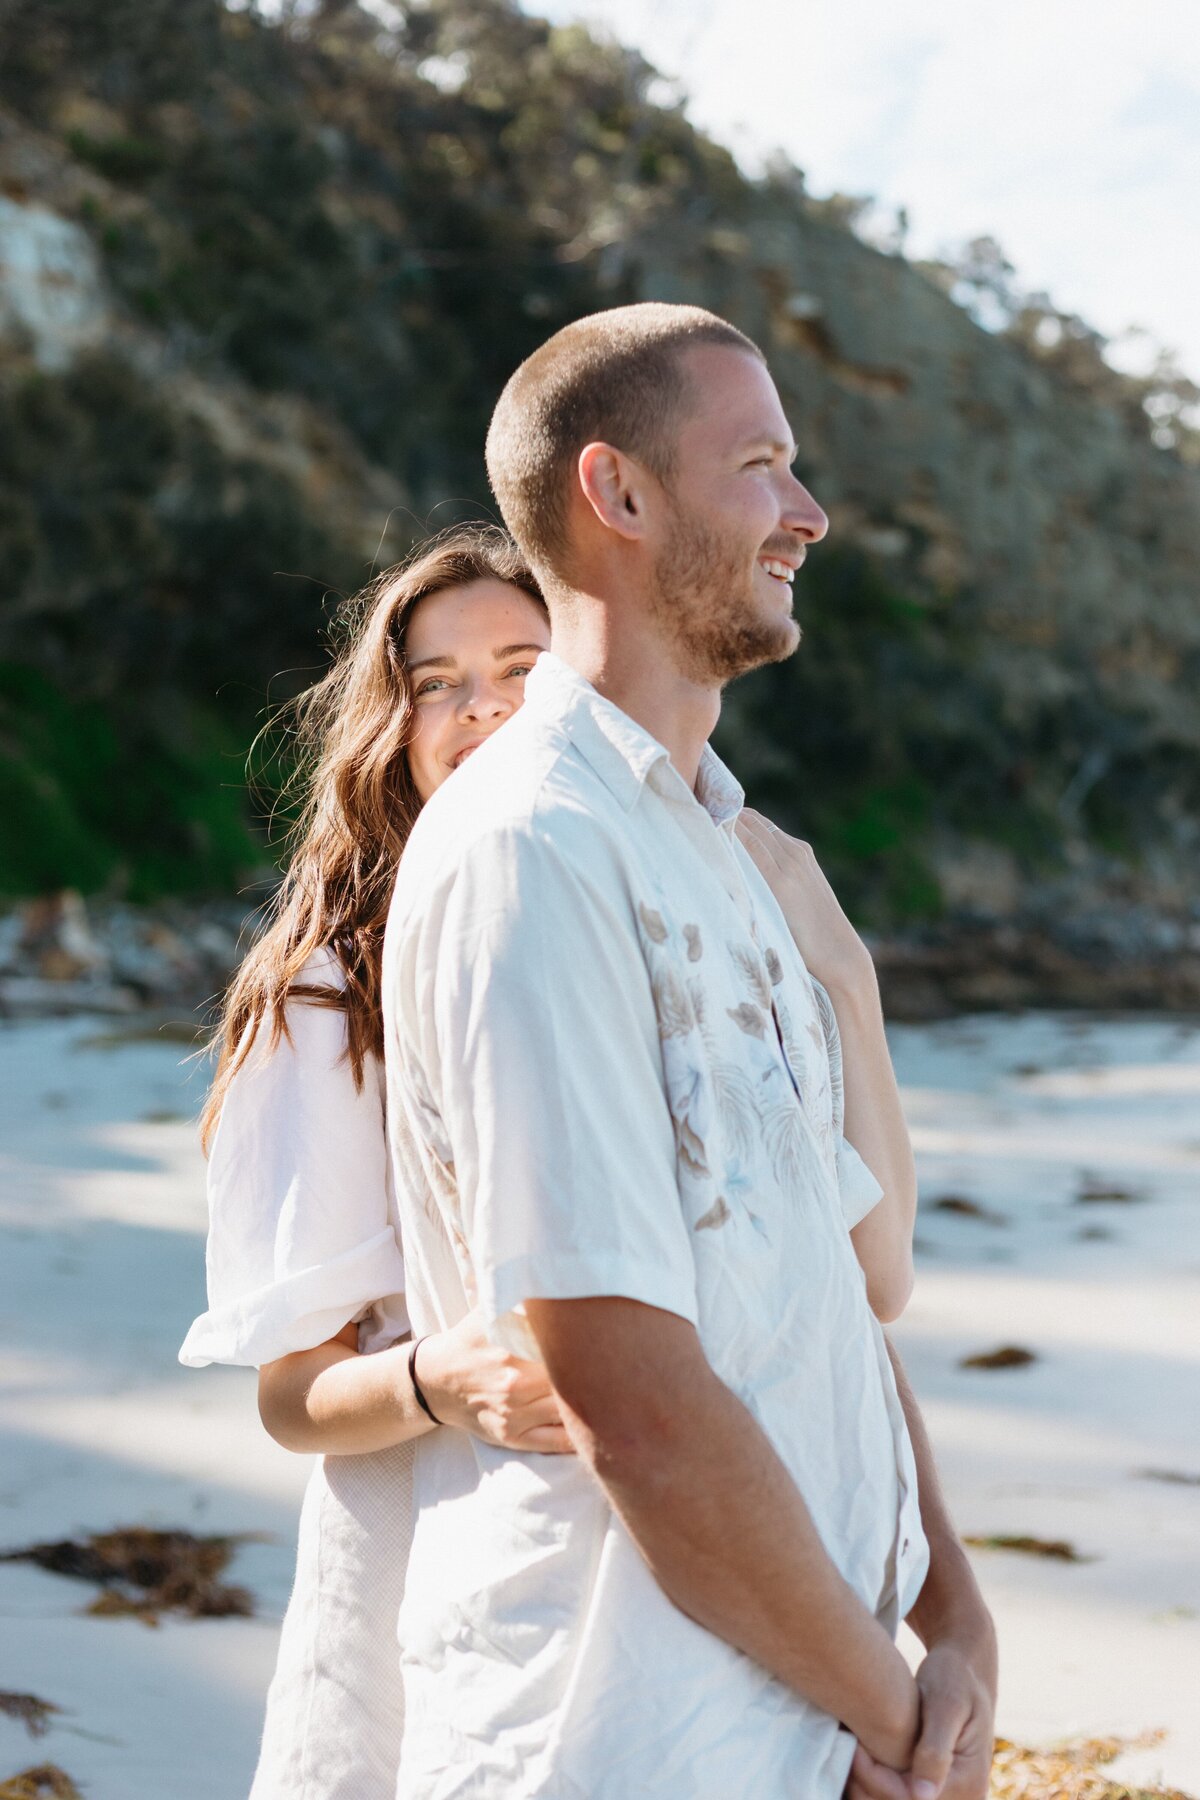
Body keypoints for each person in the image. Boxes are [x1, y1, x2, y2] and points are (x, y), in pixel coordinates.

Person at [382, 304, 997, 1800]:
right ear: (622, 494)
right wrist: (892, 1718)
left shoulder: (725, 848)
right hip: (629, 1738)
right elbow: (632, 1393)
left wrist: (952, 1616)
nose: (810, 513)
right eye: (763, 465)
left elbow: (828, 1290)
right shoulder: (537, 848)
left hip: (803, 1716)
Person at [179, 527, 563, 1800]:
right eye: (438, 683)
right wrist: (442, 1379)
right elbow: (294, 1398)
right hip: (420, 1552)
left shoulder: (640, 932)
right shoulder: (324, 995)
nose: (484, 708)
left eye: (522, 665)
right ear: (392, 724)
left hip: (618, 1541)